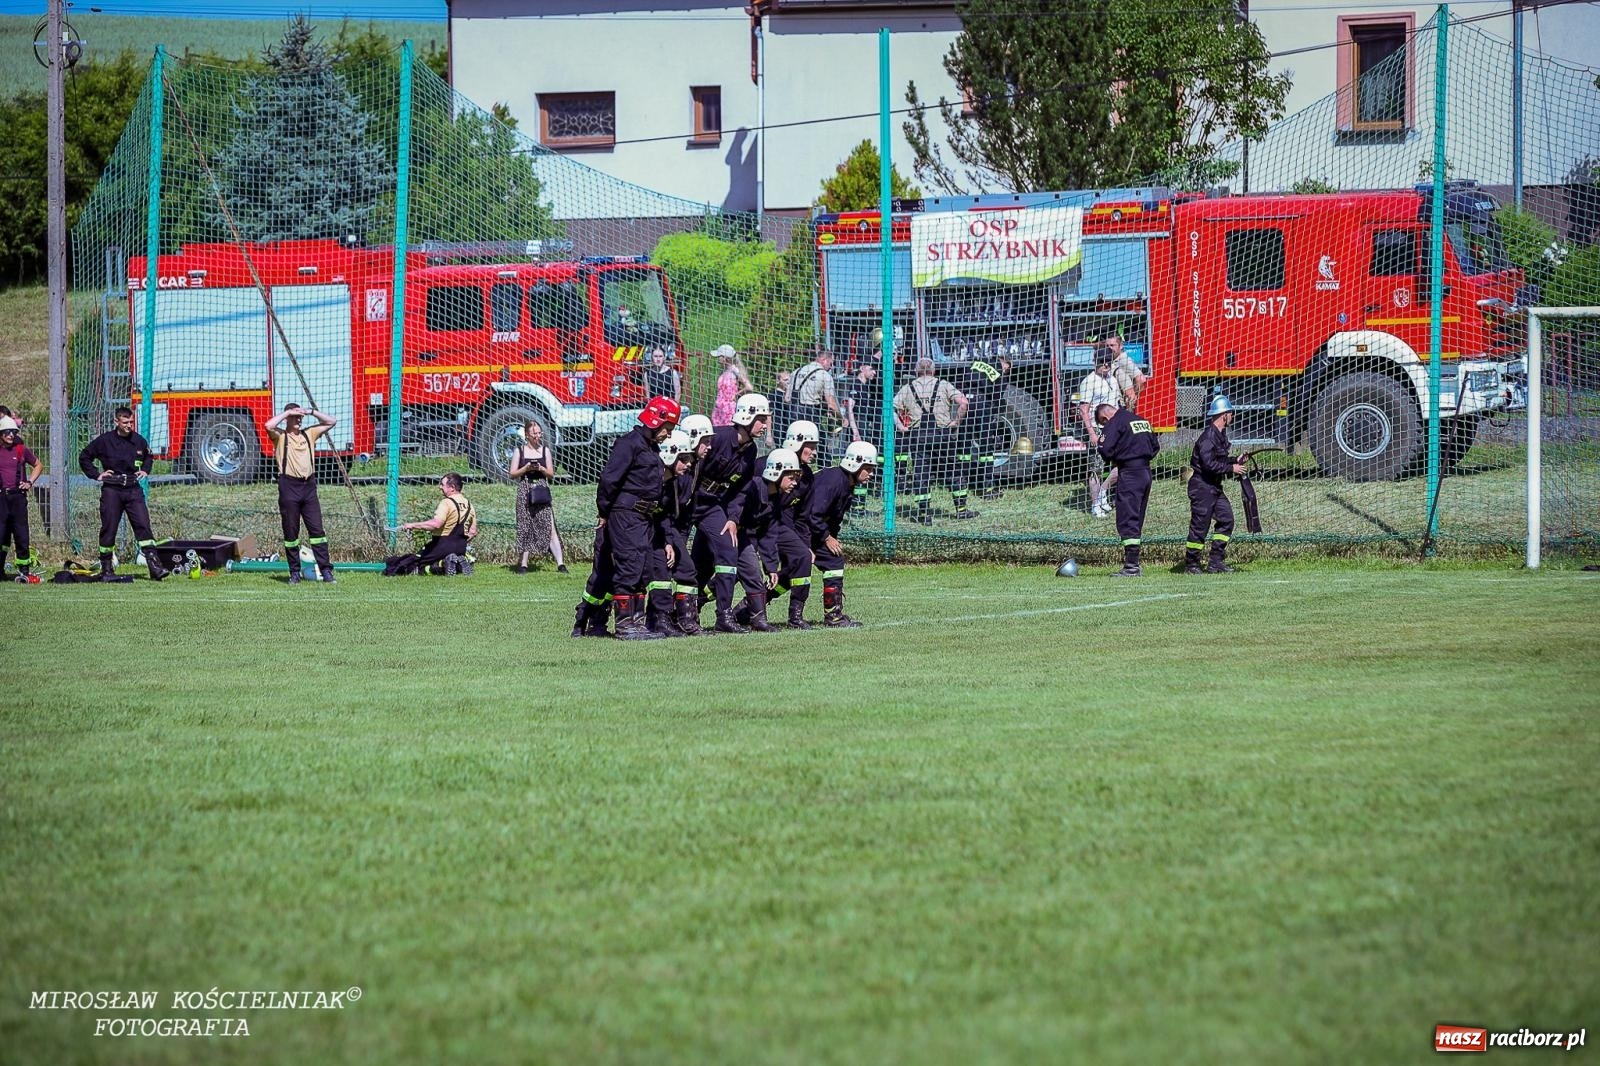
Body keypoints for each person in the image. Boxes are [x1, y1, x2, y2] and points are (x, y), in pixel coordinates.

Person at [593, 395, 681, 640]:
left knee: (642, 569)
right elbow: (609, 480)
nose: (669, 435)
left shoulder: (651, 448)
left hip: (643, 518)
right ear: (656, 421)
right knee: (629, 566)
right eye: (668, 429)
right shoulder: (628, 444)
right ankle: (624, 625)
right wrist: (604, 512)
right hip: (626, 515)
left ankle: (638, 623)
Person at [691, 392, 768, 633]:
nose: (765, 425)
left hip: (712, 506)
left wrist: (733, 519)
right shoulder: (718, 438)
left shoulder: (751, 450)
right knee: (682, 563)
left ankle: (723, 616)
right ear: (747, 417)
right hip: (688, 502)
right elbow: (690, 468)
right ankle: (669, 615)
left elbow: (741, 489)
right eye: (761, 419)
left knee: (727, 548)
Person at [79, 406, 168, 581]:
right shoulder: (104, 441)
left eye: (131, 422)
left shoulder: (139, 441)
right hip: (112, 489)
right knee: (109, 528)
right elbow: (84, 457)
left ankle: (155, 567)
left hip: (133, 489)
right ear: (116, 422)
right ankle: (106, 567)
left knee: (143, 525)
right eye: (125, 422)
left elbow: (148, 456)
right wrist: (97, 475)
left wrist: (145, 470)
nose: (129, 425)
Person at [893, 357, 976, 524]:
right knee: (953, 472)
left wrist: (901, 427)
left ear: (916, 371)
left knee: (921, 475)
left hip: (919, 437)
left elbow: (891, 407)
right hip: (942, 435)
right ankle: (961, 510)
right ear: (934, 370)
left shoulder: (908, 387)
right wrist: (955, 422)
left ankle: (925, 515)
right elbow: (964, 403)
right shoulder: (944, 385)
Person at [804, 441, 878, 627]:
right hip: (800, 530)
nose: (871, 474)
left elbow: (833, 519)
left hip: (813, 530)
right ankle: (750, 609)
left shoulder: (847, 483)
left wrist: (831, 537)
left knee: (831, 561)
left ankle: (834, 615)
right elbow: (812, 513)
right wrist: (826, 538)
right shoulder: (833, 482)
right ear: (855, 463)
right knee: (793, 572)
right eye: (868, 468)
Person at [262, 402, 337, 585]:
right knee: (291, 533)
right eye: (295, 417)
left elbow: (331, 421)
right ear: (287, 418)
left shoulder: (308, 434)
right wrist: (288, 412)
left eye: (300, 417)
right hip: (289, 487)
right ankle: (294, 572)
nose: (298, 420)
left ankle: (326, 571)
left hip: (308, 487)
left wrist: (310, 411)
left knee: (317, 531)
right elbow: (268, 425)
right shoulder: (280, 436)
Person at [646, 429, 704, 637]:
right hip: (640, 533)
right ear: (670, 454)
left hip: (662, 532)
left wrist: (669, 541)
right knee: (658, 571)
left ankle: (685, 620)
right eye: (685, 459)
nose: (689, 464)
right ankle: (656, 620)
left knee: (687, 569)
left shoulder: (673, 482)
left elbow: (666, 516)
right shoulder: (651, 479)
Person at [1095, 401, 1160, 577]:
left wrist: (1120, 455)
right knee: (1137, 517)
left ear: (1104, 417)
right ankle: (1133, 563)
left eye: (1103, 423)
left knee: (1127, 517)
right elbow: (1155, 447)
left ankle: (1131, 566)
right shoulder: (1140, 420)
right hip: (1146, 473)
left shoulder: (1114, 422)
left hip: (1130, 474)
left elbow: (1105, 450)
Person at [1186, 394, 1248, 574]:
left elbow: (1218, 459)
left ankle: (1216, 561)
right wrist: (1232, 469)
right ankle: (1192, 564)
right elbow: (1209, 464)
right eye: (1230, 413)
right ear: (1224, 415)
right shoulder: (1207, 438)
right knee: (1200, 526)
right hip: (1202, 487)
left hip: (1214, 487)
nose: (1232, 416)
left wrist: (1235, 460)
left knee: (1226, 519)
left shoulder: (1220, 435)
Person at [509, 420, 566, 574]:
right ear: (527, 435)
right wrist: (525, 468)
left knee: (549, 525)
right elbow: (512, 474)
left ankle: (561, 564)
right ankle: (523, 564)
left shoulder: (544, 451)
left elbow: (551, 474)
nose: (538, 436)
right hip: (525, 489)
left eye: (539, 433)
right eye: (534, 433)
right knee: (525, 526)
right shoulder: (519, 451)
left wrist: (541, 468)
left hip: (541, 488)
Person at [395, 472, 478, 575]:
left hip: (442, 545)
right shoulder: (469, 505)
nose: (440, 487)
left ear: (452, 487)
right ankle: (459, 564)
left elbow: (436, 524)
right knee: (444, 562)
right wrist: (460, 542)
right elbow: (473, 532)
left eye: (442, 485)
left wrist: (412, 525)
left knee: (413, 565)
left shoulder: (447, 502)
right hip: (461, 547)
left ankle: (442, 564)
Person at [1075, 347, 1122, 517]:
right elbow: (1084, 410)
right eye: (1102, 362)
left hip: (1115, 428)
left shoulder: (1113, 380)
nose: (1106, 365)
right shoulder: (1089, 381)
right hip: (1097, 428)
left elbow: (1116, 404)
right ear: (1095, 363)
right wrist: (1092, 433)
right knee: (1096, 468)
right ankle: (1095, 504)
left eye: (1108, 362)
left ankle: (1103, 492)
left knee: (1120, 464)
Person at [961, 355, 1011, 500]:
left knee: (964, 448)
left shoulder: (975, 363)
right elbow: (998, 393)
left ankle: (961, 484)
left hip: (967, 404)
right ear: (1004, 362)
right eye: (1007, 367)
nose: (1007, 370)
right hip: (983, 407)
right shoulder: (998, 371)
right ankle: (987, 489)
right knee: (986, 451)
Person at [0, 416, 41, 582]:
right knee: (2, 535)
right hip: (2, 498)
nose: (11, 435)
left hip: (18, 497)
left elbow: (38, 464)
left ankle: (24, 571)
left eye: (14, 432)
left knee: (21, 534)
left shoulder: (21, 450)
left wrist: (29, 481)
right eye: (7, 432)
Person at [791, 350, 844, 433]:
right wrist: (841, 419)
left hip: (794, 413)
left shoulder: (796, 372)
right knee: (819, 442)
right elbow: (831, 404)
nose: (832, 367)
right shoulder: (825, 375)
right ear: (824, 360)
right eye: (831, 363)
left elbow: (787, 398)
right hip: (811, 414)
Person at [710, 344, 751, 426]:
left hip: (729, 408)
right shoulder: (723, 371)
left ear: (725, 357)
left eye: (720, 356)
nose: (718, 358)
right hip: (719, 407)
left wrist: (735, 395)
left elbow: (749, 387)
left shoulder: (734, 370)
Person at [1105, 333, 1147, 411]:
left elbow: (1141, 379)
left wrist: (1133, 395)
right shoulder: (1113, 360)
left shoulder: (1124, 360)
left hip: (1122, 407)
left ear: (1121, 346)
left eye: (1112, 345)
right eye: (1107, 346)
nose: (1109, 348)